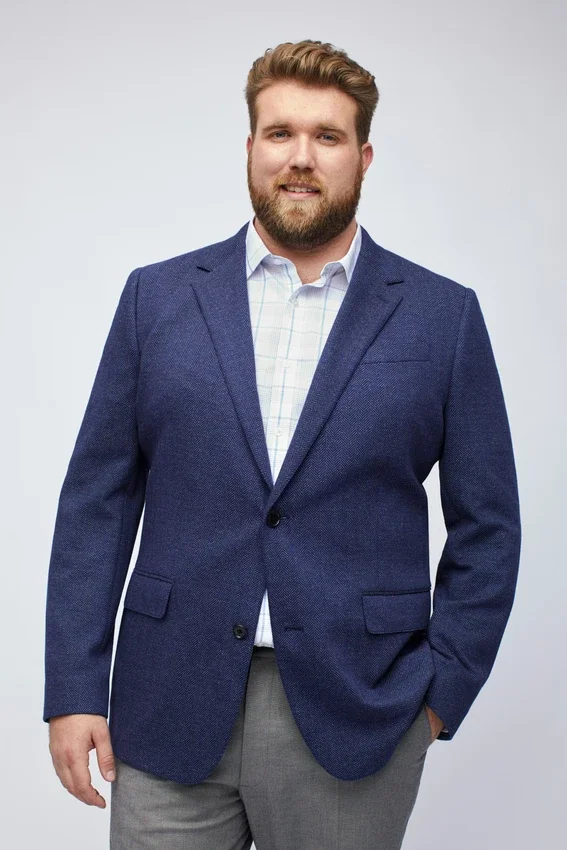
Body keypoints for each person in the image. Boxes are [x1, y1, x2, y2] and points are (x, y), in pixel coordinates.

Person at [44, 39, 522, 850]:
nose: (301, 158)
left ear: (362, 158)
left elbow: (490, 527)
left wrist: (438, 696)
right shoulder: (156, 299)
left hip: (355, 713)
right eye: (280, 133)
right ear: (249, 148)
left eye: (327, 136)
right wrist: (74, 688)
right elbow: (97, 503)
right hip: (166, 701)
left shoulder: (441, 318)